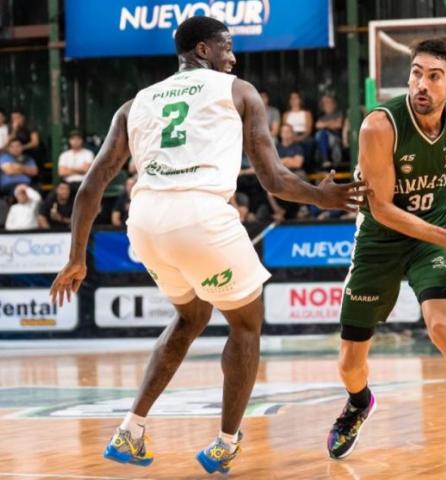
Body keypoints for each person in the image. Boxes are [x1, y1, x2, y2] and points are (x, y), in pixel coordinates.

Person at [49, 16, 366, 476]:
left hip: (145, 221)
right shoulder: (238, 91)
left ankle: (130, 429)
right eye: (227, 47)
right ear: (202, 50)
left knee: (191, 316)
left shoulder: (134, 104)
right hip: (199, 215)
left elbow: (90, 187)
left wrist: (76, 257)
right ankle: (225, 442)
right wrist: (322, 197)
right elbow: (274, 179)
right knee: (246, 325)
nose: (233, 57)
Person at [325, 37, 446, 477]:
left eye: (434, 76)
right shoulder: (379, 126)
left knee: (443, 327)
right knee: (350, 362)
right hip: (379, 241)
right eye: (416, 73)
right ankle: (359, 402)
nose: (421, 84)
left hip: (432, 240)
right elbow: (383, 209)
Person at [315, 94, 344, 167]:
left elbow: (338, 125)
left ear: (333, 103)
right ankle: (324, 160)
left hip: (335, 137)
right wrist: (331, 123)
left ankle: (325, 159)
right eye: (324, 103)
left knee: (322, 134)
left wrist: (324, 124)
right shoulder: (321, 116)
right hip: (323, 139)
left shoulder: (338, 114)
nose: (327, 105)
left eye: (328, 102)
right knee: (322, 134)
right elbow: (317, 125)